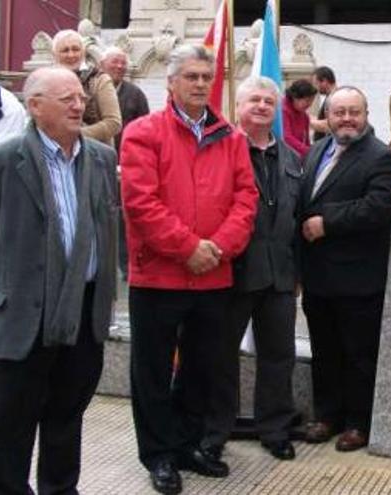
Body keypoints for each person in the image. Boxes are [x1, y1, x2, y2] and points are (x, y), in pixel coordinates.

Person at [120, 44, 257, 494]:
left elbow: (245, 200)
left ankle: (187, 444)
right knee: (153, 371)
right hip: (158, 276)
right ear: (172, 82)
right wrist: (188, 248)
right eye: (192, 77)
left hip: (213, 275)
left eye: (206, 77)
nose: (201, 84)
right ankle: (159, 455)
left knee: (203, 367)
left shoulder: (232, 137)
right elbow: (141, 203)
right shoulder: (143, 132)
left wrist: (216, 248)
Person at [0, 67, 118, 494]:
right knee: (11, 421)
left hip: (84, 308)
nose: (79, 106)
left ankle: (60, 488)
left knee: (66, 415)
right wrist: (10, 284)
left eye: (80, 98)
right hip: (23, 312)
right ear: (35, 107)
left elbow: (107, 231)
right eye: (66, 99)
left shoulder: (102, 158)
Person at [200, 75, 303, 462]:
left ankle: (274, 429)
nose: (262, 106)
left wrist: (298, 275)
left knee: (279, 356)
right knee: (221, 356)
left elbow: (299, 217)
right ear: (238, 107)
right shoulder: (219, 150)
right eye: (254, 100)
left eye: (268, 101)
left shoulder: (292, 157)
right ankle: (215, 432)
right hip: (233, 274)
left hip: (279, 276)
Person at [298, 86, 391, 453]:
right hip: (317, 277)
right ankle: (327, 416)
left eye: (353, 112)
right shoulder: (315, 151)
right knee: (324, 351)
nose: (346, 119)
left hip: (358, 280)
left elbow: (376, 207)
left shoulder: (383, 157)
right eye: (339, 112)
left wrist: (326, 221)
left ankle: (359, 423)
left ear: (366, 113)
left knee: (359, 356)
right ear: (327, 116)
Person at [100, 46, 150, 281]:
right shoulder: (93, 90)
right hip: (99, 161)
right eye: (114, 62)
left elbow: (146, 127)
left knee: (123, 218)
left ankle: (125, 265)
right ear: (102, 65)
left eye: (122, 63)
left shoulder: (135, 94)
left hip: (126, 167)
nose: (119, 67)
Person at [52, 29, 122, 146]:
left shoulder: (99, 79)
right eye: (65, 50)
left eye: (76, 49)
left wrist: (75, 135)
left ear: (83, 53)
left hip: (94, 153)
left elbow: (114, 123)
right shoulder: (47, 81)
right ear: (55, 55)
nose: (71, 55)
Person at [282, 78, 318, 156]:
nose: (310, 104)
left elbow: (306, 140)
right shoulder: (283, 111)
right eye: (307, 100)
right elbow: (286, 137)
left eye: (312, 101)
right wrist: (308, 152)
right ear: (295, 97)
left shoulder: (304, 116)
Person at [311, 65, 336, 141]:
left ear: (324, 81)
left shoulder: (333, 99)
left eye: (316, 83)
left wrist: (306, 121)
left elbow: (329, 125)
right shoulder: (331, 97)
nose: (315, 87)